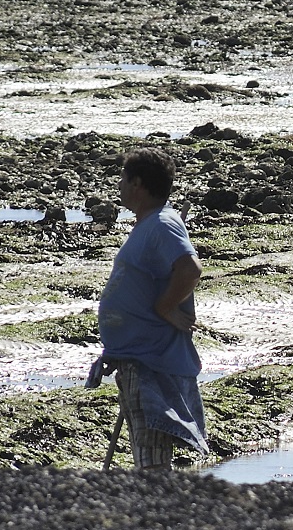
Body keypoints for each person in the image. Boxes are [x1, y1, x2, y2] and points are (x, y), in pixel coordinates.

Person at [88, 148, 205, 473]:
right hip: (136, 356)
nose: (120, 186)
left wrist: (164, 306)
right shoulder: (150, 223)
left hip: (150, 360)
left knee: (152, 461)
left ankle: (159, 516)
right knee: (147, 452)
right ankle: (157, 513)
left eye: (123, 179)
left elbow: (190, 268)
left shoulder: (163, 223)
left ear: (137, 183)